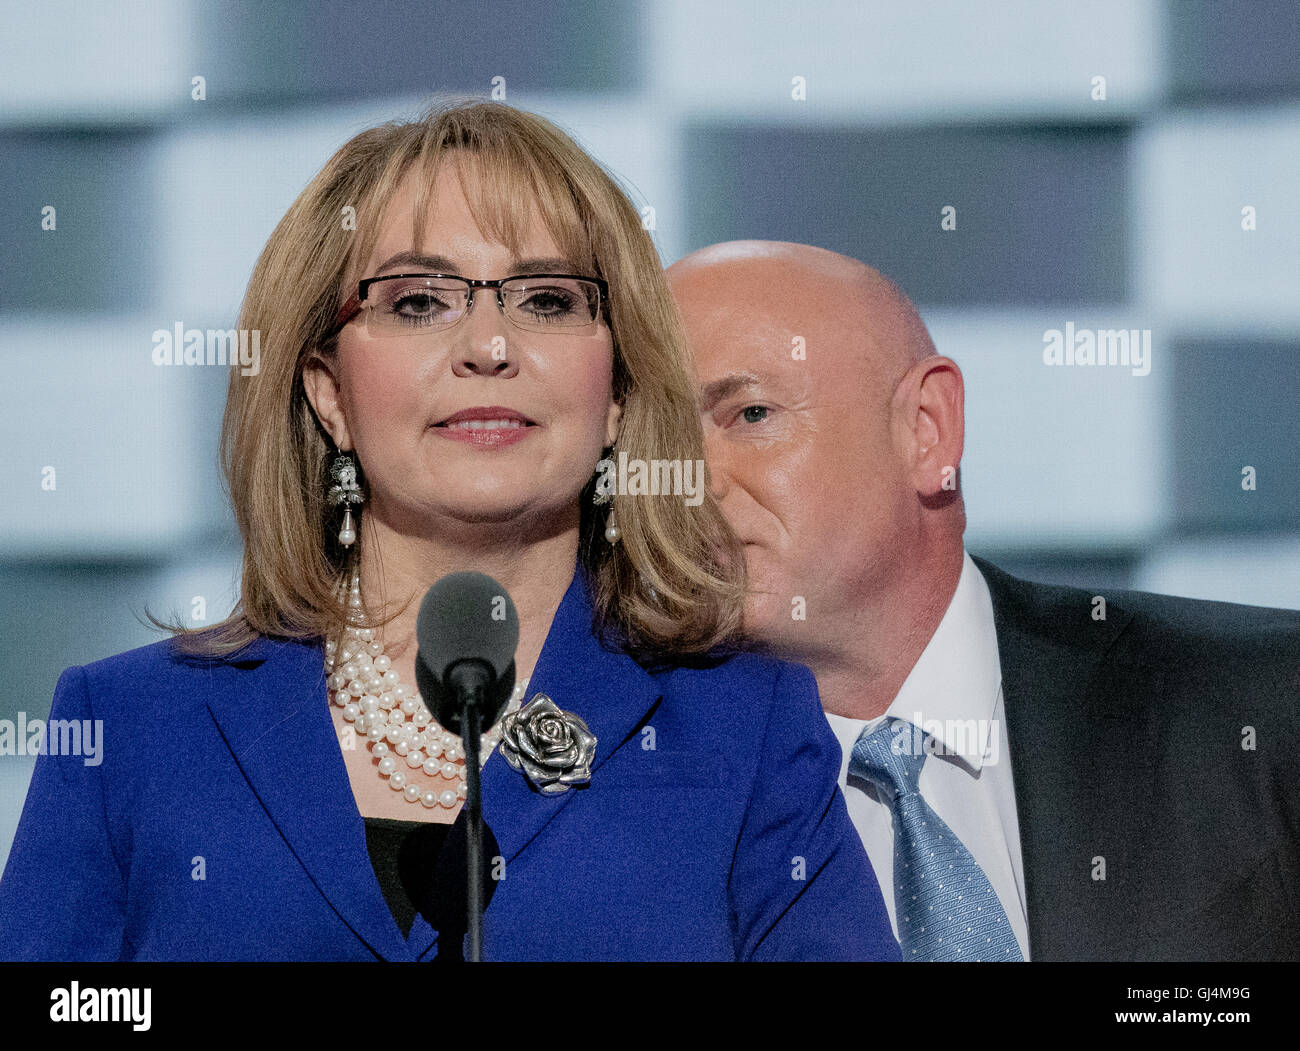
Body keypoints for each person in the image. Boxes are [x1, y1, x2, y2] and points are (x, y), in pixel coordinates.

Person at [0, 110, 898, 963]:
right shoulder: (129, 729)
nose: (489, 345)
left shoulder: (748, 728)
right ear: (328, 392)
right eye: (420, 301)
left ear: (619, 392)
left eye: (548, 299)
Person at [667, 239, 1300, 962]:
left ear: (927, 427)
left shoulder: (1266, 706)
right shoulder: (614, 803)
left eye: (750, 415)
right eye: (654, 444)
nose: (687, 483)